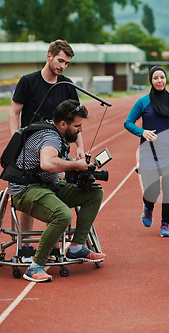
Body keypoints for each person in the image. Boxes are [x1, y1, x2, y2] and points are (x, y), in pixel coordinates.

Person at [8, 99, 105, 282]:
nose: (80, 131)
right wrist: (76, 165)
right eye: (77, 126)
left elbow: (51, 168)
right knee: (63, 215)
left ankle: (76, 248)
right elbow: (47, 163)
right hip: (26, 190)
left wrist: (77, 172)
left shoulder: (54, 130)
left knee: (94, 193)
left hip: (47, 185)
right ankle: (35, 266)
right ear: (63, 124)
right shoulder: (50, 137)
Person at [8, 40, 84, 257]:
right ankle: (25, 246)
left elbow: (76, 122)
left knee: (55, 190)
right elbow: (14, 113)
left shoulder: (67, 86)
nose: (63, 66)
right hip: (29, 150)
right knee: (27, 190)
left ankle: (54, 245)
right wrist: (16, 142)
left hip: (57, 149)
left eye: (67, 63)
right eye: (60, 60)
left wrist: (80, 147)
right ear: (49, 56)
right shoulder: (28, 82)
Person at [124, 66, 169, 237]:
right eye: (155, 78)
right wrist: (142, 132)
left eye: (162, 77)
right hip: (149, 151)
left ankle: (165, 224)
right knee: (152, 191)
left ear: (166, 79)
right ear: (151, 81)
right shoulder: (142, 102)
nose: (159, 80)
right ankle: (148, 207)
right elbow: (128, 122)